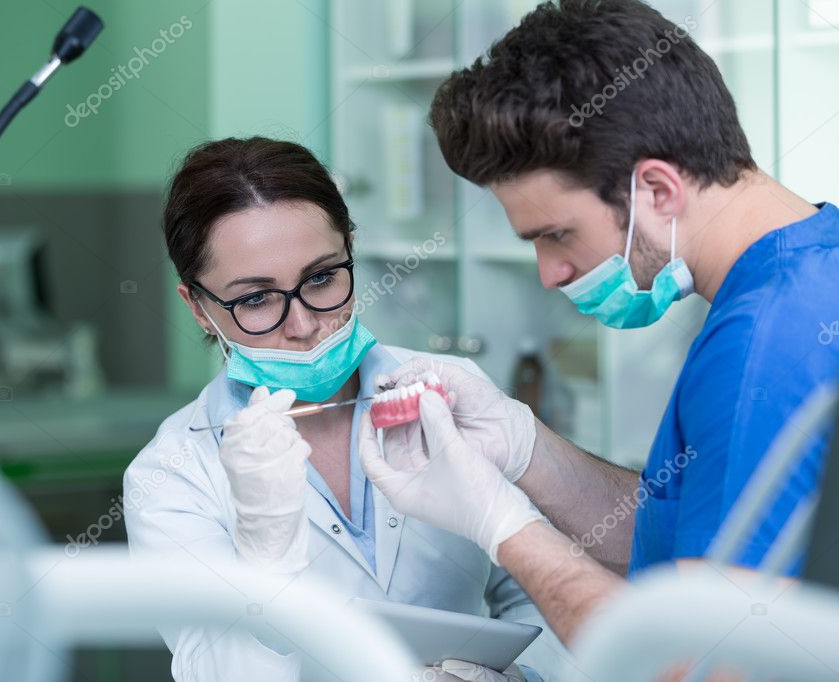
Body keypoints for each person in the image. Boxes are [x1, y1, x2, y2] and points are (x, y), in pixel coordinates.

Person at [359, 0, 839, 653]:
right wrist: (522, 447)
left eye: (557, 234)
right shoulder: (812, 262)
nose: (549, 274)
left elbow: (702, 662)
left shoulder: (761, 345)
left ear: (658, 191)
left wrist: (504, 529)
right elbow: (689, 533)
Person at [123, 137, 566, 681]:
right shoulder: (171, 474)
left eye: (321, 278)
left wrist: (522, 677)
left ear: (349, 250)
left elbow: (540, 593)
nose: (304, 324)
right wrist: (266, 557)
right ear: (197, 306)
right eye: (256, 298)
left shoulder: (451, 392)